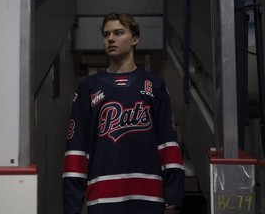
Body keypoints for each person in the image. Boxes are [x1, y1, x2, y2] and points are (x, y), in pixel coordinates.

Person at [62, 12, 184, 214]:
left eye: (118, 33)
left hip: (149, 195)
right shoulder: (88, 88)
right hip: (103, 195)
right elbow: (76, 148)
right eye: (106, 34)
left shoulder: (155, 85)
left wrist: (173, 189)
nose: (110, 38)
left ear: (135, 39)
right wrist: (72, 202)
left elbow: (167, 141)